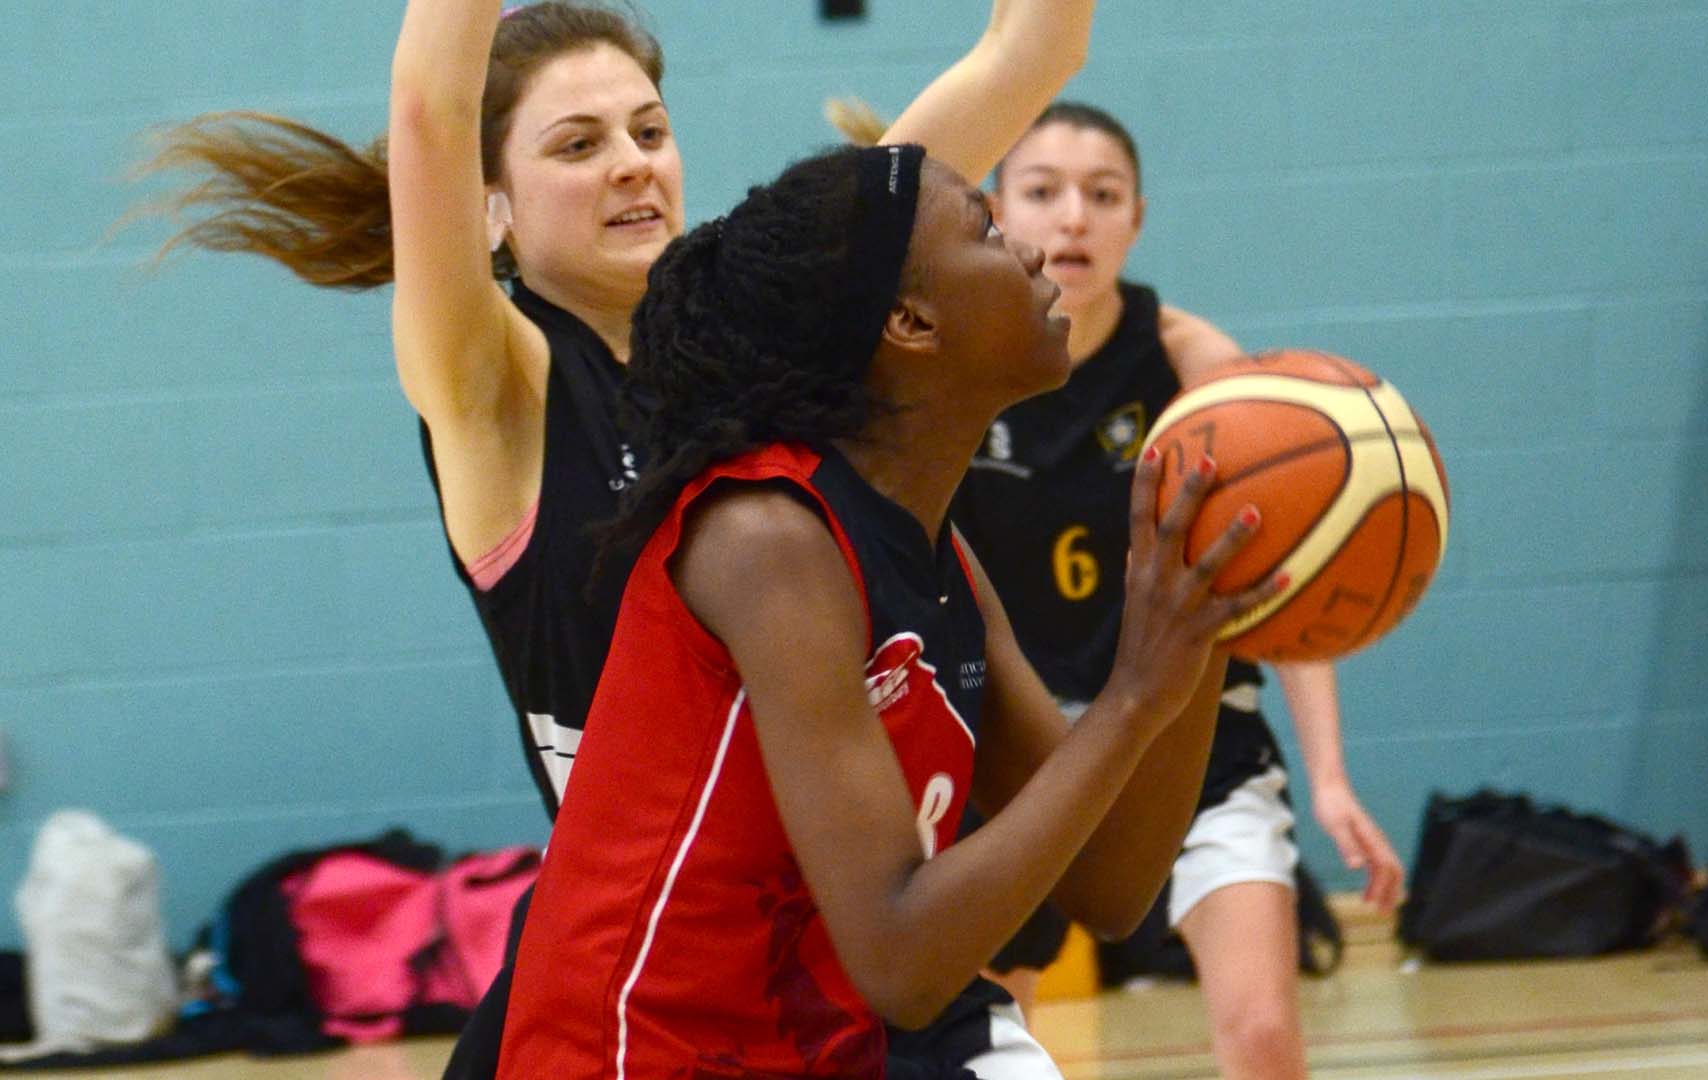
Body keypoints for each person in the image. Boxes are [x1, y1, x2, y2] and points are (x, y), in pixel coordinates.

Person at [141, 3, 1093, 1074]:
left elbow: (1029, 51)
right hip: (645, 990)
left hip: (863, 952)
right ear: (488, 206)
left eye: (650, 130)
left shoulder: (783, 337)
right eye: (579, 144)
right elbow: (429, 109)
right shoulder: (499, 390)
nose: (633, 165)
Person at [499, 141, 1284, 1078]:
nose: (1029, 251)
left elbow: (1113, 885)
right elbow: (901, 961)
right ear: (909, 321)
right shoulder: (768, 540)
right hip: (644, 1056)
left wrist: (1195, 634)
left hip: (824, 1041)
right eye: (988, 232)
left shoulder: (937, 551)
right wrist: (1130, 699)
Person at [937, 103, 1404, 1079]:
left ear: (1137, 221)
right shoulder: (958, 369)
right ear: (993, 210)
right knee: (988, 1044)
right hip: (1020, 752)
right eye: (1043, 192)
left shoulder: (1199, 369)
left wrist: (1328, 777)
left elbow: (1277, 581)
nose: (1073, 219)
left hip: (1192, 740)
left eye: (1102, 197)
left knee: (1265, 1034)